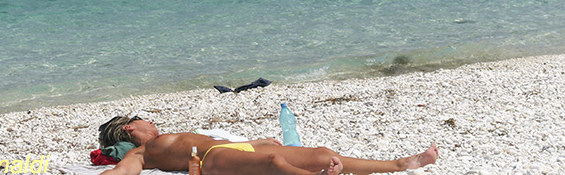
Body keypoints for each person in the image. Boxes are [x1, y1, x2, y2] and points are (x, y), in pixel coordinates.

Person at [96, 115, 438, 175]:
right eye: (143, 120)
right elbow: (120, 171)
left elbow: (225, 142)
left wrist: (253, 141)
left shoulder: (166, 139)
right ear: (129, 127)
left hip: (228, 150)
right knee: (274, 162)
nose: (150, 123)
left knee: (322, 155)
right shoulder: (144, 152)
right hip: (211, 161)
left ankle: (398, 165)